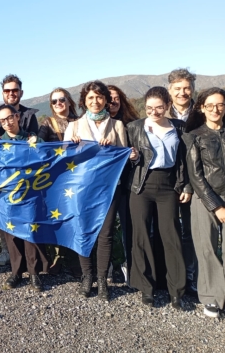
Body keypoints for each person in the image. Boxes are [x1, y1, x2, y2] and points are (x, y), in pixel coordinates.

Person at [64, 80, 133, 301]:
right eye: (90, 97)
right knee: (83, 231)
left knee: (106, 234)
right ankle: (87, 276)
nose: (95, 101)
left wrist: (116, 149)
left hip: (109, 189)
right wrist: (71, 147)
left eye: (99, 97)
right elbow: (63, 161)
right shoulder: (73, 126)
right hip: (81, 190)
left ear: (106, 100)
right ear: (84, 101)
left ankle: (103, 279)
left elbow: (125, 158)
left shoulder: (118, 125)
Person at [126, 86, 191, 309]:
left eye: (159, 107)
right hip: (141, 186)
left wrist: (186, 185)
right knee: (142, 236)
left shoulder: (179, 127)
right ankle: (147, 288)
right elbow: (126, 160)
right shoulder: (134, 127)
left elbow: (185, 160)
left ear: (168, 106)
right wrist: (132, 157)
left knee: (171, 237)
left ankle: (176, 290)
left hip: (169, 186)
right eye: (149, 107)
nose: (154, 112)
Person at [0, 74, 39, 267]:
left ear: (21, 92)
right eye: (7, 90)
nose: (11, 93)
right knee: (5, 214)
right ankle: (7, 251)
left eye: (15, 90)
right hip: (3, 176)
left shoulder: (30, 115)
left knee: (27, 216)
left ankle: (31, 261)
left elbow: (36, 141)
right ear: (3, 93)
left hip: (27, 177)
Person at [0, 104, 49, 292]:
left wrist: (38, 144)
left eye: (10, 118)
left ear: (17, 117)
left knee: (30, 233)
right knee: (11, 235)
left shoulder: (32, 139)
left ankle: (34, 273)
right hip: (8, 197)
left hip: (30, 194)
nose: (7, 123)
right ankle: (16, 272)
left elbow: (48, 157)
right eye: (2, 120)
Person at [183, 87, 225, 318]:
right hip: (205, 197)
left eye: (220, 104)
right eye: (210, 105)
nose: (215, 109)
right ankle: (212, 298)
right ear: (202, 107)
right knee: (206, 248)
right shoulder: (194, 135)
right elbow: (195, 175)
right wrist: (216, 205)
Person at [37, 88, 78, 275]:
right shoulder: (47, 123)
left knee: (75, 216)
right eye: (54, 101)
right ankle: (58, 256)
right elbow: (39, 144)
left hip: (77, 178)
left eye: (62, 99)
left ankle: (75, 258)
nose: (59, 103)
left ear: (69, 101)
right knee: (57, 216)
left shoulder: (80, 122)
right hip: (56, 179)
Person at [165, 68, 198, 296]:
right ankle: (170, 277)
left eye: (186, 88)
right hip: (167, 182)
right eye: (177, 88)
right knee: (167, 231)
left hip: (196, 182)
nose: (182, 92)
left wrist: (187, 183)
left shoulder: (202, 113)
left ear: (192, 89)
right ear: (170, 90)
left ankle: (192, 276)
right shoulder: (161, 114)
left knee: (191, 231)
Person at [106, 84, 140, 285]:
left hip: (128, 184)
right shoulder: (94, 126)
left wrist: (134, 155)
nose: (113, 102)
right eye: (109, 99)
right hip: (105, 187)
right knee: (105, 228)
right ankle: (106, 265)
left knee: (130, 227)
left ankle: (131, 266)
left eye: (117, 98)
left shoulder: (132, 124)